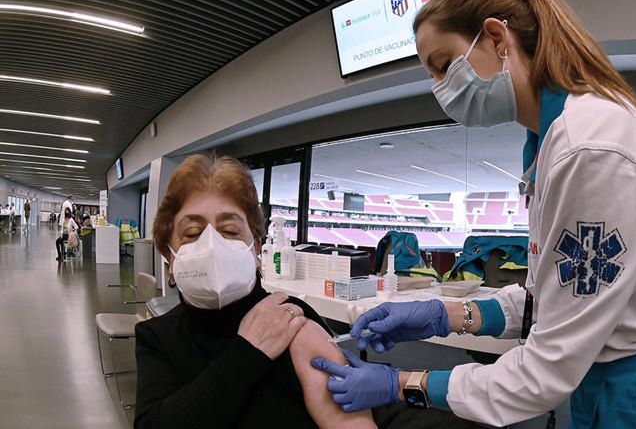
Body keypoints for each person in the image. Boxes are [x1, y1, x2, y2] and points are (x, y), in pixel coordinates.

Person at [312, 0, 636, 429]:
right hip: (611, 361)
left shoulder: (591, 148)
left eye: (444, 65)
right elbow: (552, 298)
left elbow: (549, 365)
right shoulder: (550, 141)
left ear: (495, 37)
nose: (439, 88)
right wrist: (444, 315)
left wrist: (403, 385)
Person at [135, 154, 478, 429]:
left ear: (257, 249)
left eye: (229, 230)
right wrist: (247, 353)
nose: (212, 246)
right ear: (168, 256)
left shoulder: (292, 318)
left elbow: (354, 419)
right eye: (192, 234)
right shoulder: (157, 337)